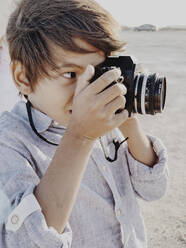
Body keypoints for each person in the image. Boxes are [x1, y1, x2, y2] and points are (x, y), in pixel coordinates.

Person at [0, 0, 169, 247]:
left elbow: (154, 189)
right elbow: (26, 241)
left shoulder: (106, 124)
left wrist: (128, 121)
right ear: (22, 77)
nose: (87, 90)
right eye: (71, 74)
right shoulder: (10, 141)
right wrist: (80, 136)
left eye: (98, 73)